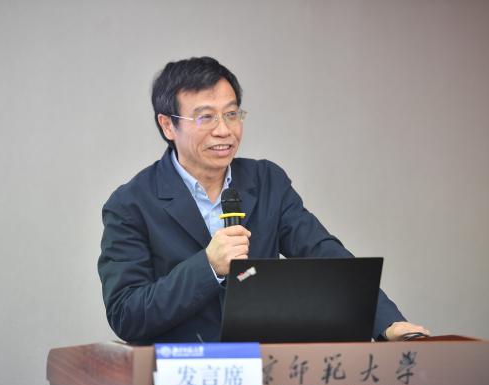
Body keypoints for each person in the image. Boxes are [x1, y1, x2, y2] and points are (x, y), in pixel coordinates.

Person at [98, 56, 429, 344]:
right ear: (168, 125)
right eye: (205, 117)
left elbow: (323, 254)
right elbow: (126, 313)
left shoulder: (267, 182)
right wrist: (208, 266)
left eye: (231, 114)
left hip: (265, 373)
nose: (224, 130)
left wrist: (386, 322)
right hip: (181, 377)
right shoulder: (131, 204)